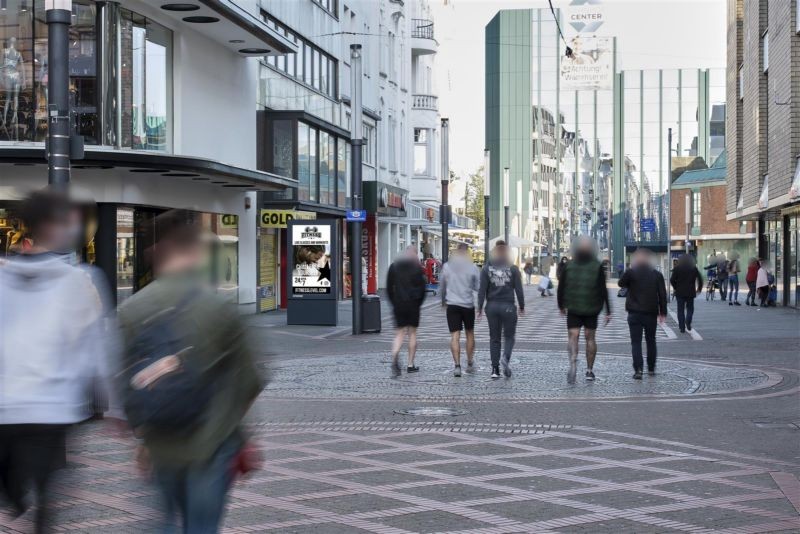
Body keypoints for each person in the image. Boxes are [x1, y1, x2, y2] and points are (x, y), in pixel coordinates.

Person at [117, 209, 264, 533]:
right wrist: (239, 436)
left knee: (164, 522)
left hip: (160, 444)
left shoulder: (131, 310)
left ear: (156, 254)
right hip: (211, 444)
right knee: (201, 526)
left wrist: (142, 440)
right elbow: (250, 381)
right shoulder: (221, 308)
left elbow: (126, 385)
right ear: (195, 251)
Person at [0, 190, 110, 534]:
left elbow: (96, 345)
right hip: (52, 405)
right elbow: (97, 346)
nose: (73, 228)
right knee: (44, 490)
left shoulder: (8, 277)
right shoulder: (78, 281)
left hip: (19, 404)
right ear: (49, 226)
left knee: (30, 486)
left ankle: (18, 498)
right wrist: (113, 404)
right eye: (66, 221)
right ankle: (22, 501)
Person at [557, 236, 611, 384]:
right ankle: (589, 370)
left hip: (573, 307)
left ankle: (573, 361)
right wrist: (608, 310)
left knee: (573, 335)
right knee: (590, 338)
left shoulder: (569, 265)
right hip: (592, 308)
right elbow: (603, 289)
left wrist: (561, 305)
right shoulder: (597, 266)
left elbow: (561, 287)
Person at [477, 241, 525, 379]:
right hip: (508, 306)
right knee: (509, 336)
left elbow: (482, 290)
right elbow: (519, 290)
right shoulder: (513, 269)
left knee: (494, 338)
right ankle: (505, 357)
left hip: (492, 307)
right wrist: (521, 306)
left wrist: (479, 307)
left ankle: (494, 369)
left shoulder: (486, 269)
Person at [618, 249, 667, 379]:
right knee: (651, 341)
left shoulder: (631, 273)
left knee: (636, 342)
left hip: (634, 313)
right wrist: (663, 312)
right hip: (651, 313)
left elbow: (620, 283)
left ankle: (638, 370)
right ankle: (651, 368)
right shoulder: (657, 275)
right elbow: (662, 295)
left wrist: (629, 269)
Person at [386, 246, 427, 376]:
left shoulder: (394, 266)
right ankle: (410, 364)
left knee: (399, 333)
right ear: (414, 255)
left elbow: (388, 287)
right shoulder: (417, 268)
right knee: (412, 333)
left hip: (399, 303)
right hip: (413, 304)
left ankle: (394, 359)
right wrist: (418, 304)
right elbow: (423, 290)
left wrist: (394, 302)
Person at [440, 243, 480, 376]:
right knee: (470, 333)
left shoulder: (447, 266)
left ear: (457, 251)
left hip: (452, 304)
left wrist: (443, 300)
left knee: (454, 336)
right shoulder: (472, 267)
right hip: (467, 304)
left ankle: (457, 366)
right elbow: (477, 287)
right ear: (467, 251)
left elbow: (442, 285)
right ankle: (469, 362)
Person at [670, 254, 703, 333]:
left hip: (680, 292)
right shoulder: (694, 268)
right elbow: (700, 279)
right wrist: (699, 289)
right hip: (690, 292)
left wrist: (675, 287)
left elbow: (672, 280)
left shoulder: (677, 268)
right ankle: (688, 321)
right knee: (690, 308)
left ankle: (682, 328)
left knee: (680, 310)